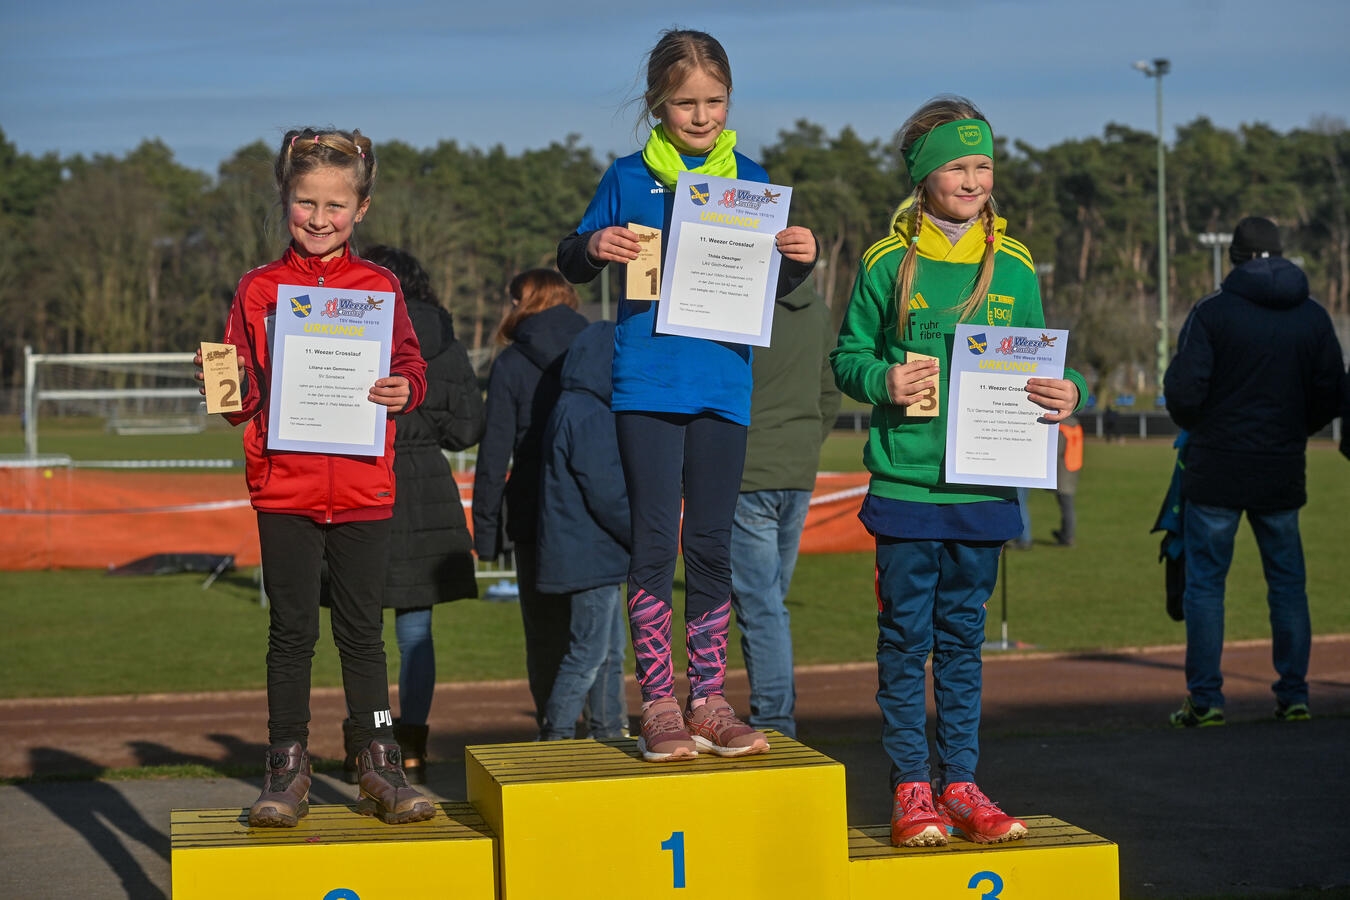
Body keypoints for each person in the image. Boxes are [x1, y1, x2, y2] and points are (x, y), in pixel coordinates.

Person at [830, 95, 1087, 847]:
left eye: (983, 165)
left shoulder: (1012, 264)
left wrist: (1072, 392)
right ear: (922, 176)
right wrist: (883, 381)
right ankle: (913, 788)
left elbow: (1044, 367)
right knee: (907, 640)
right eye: (957, 166)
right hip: (906, 489)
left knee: (964, 643)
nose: (974, 180)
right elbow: (849, 356)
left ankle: (964, 784)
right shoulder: (885, 262)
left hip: (984, 488)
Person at [556, 28, 818, 762]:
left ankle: (709, 700)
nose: (701, 116)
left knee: (709, 545)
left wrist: (800, 260)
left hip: (724, 386)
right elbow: (571, 257)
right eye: (685, 103)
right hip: (646, 382)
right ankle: (660, 705)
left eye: (714, 101)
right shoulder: (627, 176)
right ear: (657, 105)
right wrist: (593, 247)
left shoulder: (754, 179)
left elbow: (768, 286)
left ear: (729, 100)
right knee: (651, 542)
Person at [197, 127, 434, 827]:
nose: (320, 218)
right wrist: (224, 386)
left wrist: (405, 391)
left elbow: (413, 367)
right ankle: (287, 767)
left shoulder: (380, 286)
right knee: (291, 632)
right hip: (286, 488)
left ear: (362, 207)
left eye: (336, 204)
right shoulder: (257, 289)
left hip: (363, 486)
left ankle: (377, 761)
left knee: (363, 633)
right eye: (307, 203)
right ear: (285, 200)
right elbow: (239, 403)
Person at [1163, 216, 1344, 728]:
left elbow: (1182, 392)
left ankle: (1206, 699)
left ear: (1234, 258)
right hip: (1281, 467)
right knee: (1287, 584)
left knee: (1206, 587)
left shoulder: (1213, 312)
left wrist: (1205, 426)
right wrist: (1292, 432)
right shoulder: (1312, 316)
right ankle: (1294, 695)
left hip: (1216, 467)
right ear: (1282, 255)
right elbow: (1332, 392)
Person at [336, 244, 485, 784]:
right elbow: (467, 429)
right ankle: (413, 741)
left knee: (359, 631)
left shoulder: (348, 325)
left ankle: (367, 743)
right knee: (415, 632)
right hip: (425, 491)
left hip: (357, 482)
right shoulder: (444, 340)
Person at [472, 268, 588, 734]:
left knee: (544, 637)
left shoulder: (511, 362)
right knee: (594, 633)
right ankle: (603, 728)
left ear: (526, 300)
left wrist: (484, 532)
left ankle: (554, 730)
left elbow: (493, 453)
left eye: (511, 299)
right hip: (592, 509)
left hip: (532, 510)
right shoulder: (601, 347)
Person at [729, 279, 839, 739]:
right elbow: (830, 394)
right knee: (769, 600)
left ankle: (775, 719)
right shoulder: (816, 309)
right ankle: (775, 713)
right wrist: (804, 446)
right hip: (796, 469)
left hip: (746, 469)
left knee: (761, 606)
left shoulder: (737, 301)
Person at [536, 320, 631, 741]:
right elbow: (607, 490)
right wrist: (644, 535)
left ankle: (609, 731)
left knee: (610, 653)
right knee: (590, 653)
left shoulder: (576, 405)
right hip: (591, 552)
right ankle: (555, 737)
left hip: (593, 553)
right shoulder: (589, 413)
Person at [1052, 413, 1083, 547]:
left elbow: (1055, 450)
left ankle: (1067, 537)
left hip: (1062, 472)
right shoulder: (1076, 426)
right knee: (1067, 505)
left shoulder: (1062, 428)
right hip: (1073, 470)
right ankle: (1065, 533)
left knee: (1066, 506)